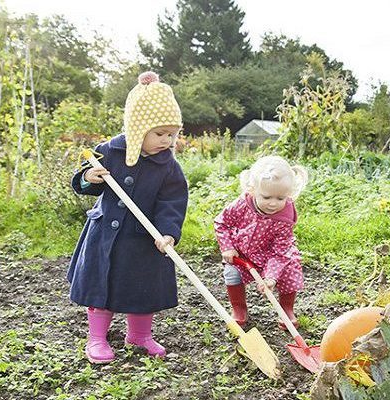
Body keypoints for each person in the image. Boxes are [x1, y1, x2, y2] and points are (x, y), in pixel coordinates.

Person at [68, 71, 188, 364]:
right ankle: (96, 338)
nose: (167, 141)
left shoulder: (168, 167)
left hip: (143, 240)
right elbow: (83, 183)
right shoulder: (109, 152)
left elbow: (172, 202)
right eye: (159, 134)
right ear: (138, 128)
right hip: (105, 237)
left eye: (172, 134)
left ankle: (139, 335)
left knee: (142, 288)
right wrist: (89, 176)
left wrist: (168, 232)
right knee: (102, 285)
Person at [214, 156, 308, 329]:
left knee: (289, 270)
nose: (273, 203)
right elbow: (222, 222)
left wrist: (271, 277)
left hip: (273, 255)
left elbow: (280, 251)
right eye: (266, 197)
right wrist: (227, 247)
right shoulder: (242, 204)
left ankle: (286, 309)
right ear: (252, 190)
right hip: (242, 252)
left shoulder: (285, 218)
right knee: (232, 274)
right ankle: (239, 308)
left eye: (280, 198)